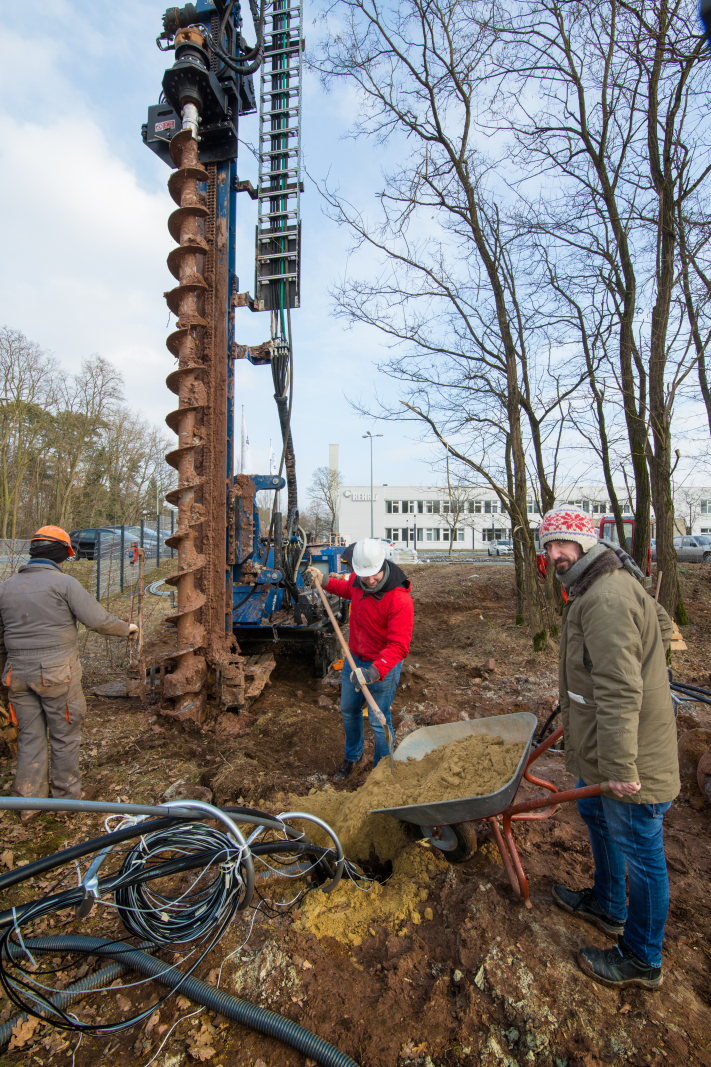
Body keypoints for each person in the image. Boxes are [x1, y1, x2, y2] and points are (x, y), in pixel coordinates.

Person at [539, 505, 678, 990]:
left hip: (631, 754)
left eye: (563, 542)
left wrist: (620, 766)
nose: (555, 552)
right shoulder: (597, 584)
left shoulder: (606, 598)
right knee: (598, 817)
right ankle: (609, 905)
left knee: (640, 850)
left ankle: (641, 958)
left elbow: (620, 687)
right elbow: (659, 630)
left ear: (586, 543)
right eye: (548, 544)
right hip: (604, 742)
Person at [0, 526, 138, 816]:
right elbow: (97, 620)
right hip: (56, 673)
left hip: (16, 675)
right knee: (64, 735)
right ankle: (66, 800)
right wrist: (127, 629)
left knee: (29, 736)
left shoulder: (6, 586)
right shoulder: (65, 584)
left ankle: (27, 805)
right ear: (64, 554)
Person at [307, 538, 414, 781]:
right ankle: (352, 756)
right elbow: (346, 589)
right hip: (355, 659)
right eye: (364, 576)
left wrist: (373, 672)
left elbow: (399, 646)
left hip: (382, 666)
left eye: (374, 575)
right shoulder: (359, 580)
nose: (370, 581)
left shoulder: (399, 599)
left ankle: (381, 772)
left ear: (383, 565)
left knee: (379, 720)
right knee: (348, 709)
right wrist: (324, 581)